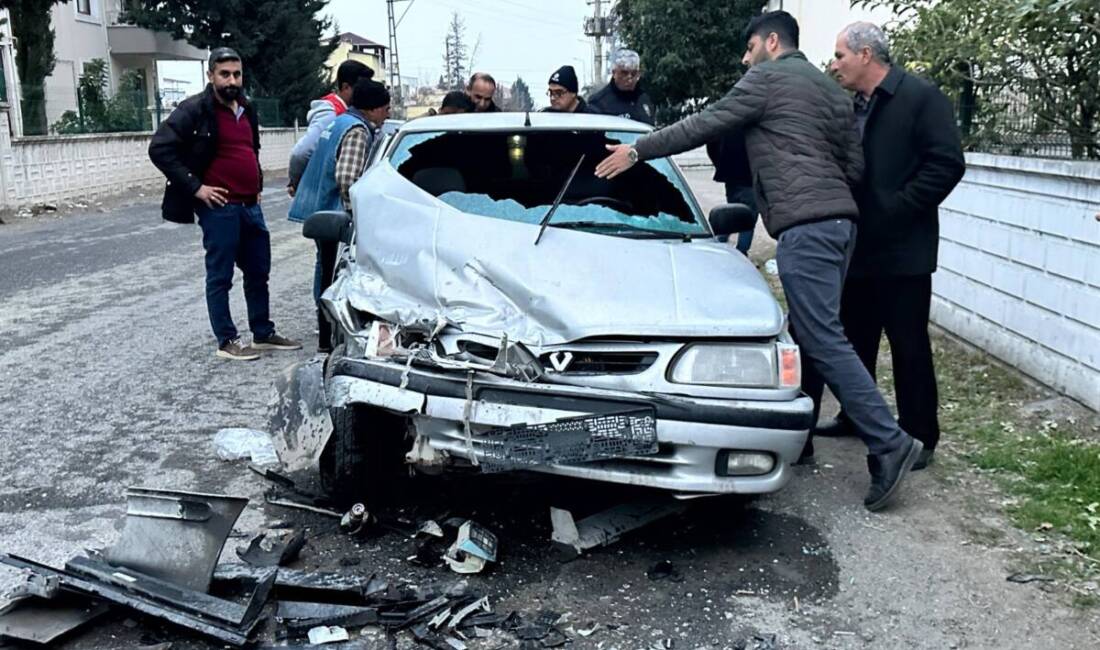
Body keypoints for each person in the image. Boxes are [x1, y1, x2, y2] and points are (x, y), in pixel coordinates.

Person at [595, 11, 923, 512]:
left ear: (773, 42)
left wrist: (639, 151)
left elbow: (704, 123)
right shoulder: (830, 89)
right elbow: (854, 165)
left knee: (821, 336)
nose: (745, 59)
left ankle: (889, 442)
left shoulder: (767, 78)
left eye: (749, 48)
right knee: (816, 329)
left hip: (808, 227)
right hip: (840, 225)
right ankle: (804, 438)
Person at [815, 22, 965, 470]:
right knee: (855, 338)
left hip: (904, 251)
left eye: (840, 55)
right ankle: (856, 415)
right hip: (858, 246)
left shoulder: (920, 98)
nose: (834, 64)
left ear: (865, 55)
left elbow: (946, 164)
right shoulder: (851, 105)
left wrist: (898, 207)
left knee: (908, 345)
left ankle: (920, 435)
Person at [149, 47, 301, 360]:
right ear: (211, 76)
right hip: (219, 208)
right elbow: (160, 148)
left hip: (250, 206)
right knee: (221, 276)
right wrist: (196, 188)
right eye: (225, 74)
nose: (232, 80)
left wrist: (256, 184)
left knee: (259, 271)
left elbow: (251, 149)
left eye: (237, 74)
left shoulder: (248, 108)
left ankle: (263, 333)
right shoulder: (195, 110)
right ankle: (227, 340)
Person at [289, 79, 391, 351]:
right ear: (371, 109)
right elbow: (348, 178)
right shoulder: (358, 130)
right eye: (384, 108)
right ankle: (329, 327)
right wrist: (356, 214)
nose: (387, 114)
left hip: (321, 208)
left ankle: (324, 327)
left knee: (325, 267)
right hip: (334, 213)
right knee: (336, 271)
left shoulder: (339, 121)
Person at [287, 60, 375, 196]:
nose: (366, 92)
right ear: (346, 87)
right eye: (361, 88)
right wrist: (296, 182)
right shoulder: (331, 113)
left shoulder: (351, 113)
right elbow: (301, 153)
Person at [706, 131, 757, 254]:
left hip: (731, 177)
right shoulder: (752, 124)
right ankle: (741, 252)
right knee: (747, 218)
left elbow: (711, 145)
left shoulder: (728, 122)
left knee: (732, 215)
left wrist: (721, 165)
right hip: (749, 178)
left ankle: (719, 245)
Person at [586, 49, 655, 124]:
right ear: (614, 73)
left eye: (633, 73)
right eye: (624, 73)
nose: (629, 78)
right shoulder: (599, 103)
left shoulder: (644, 99)